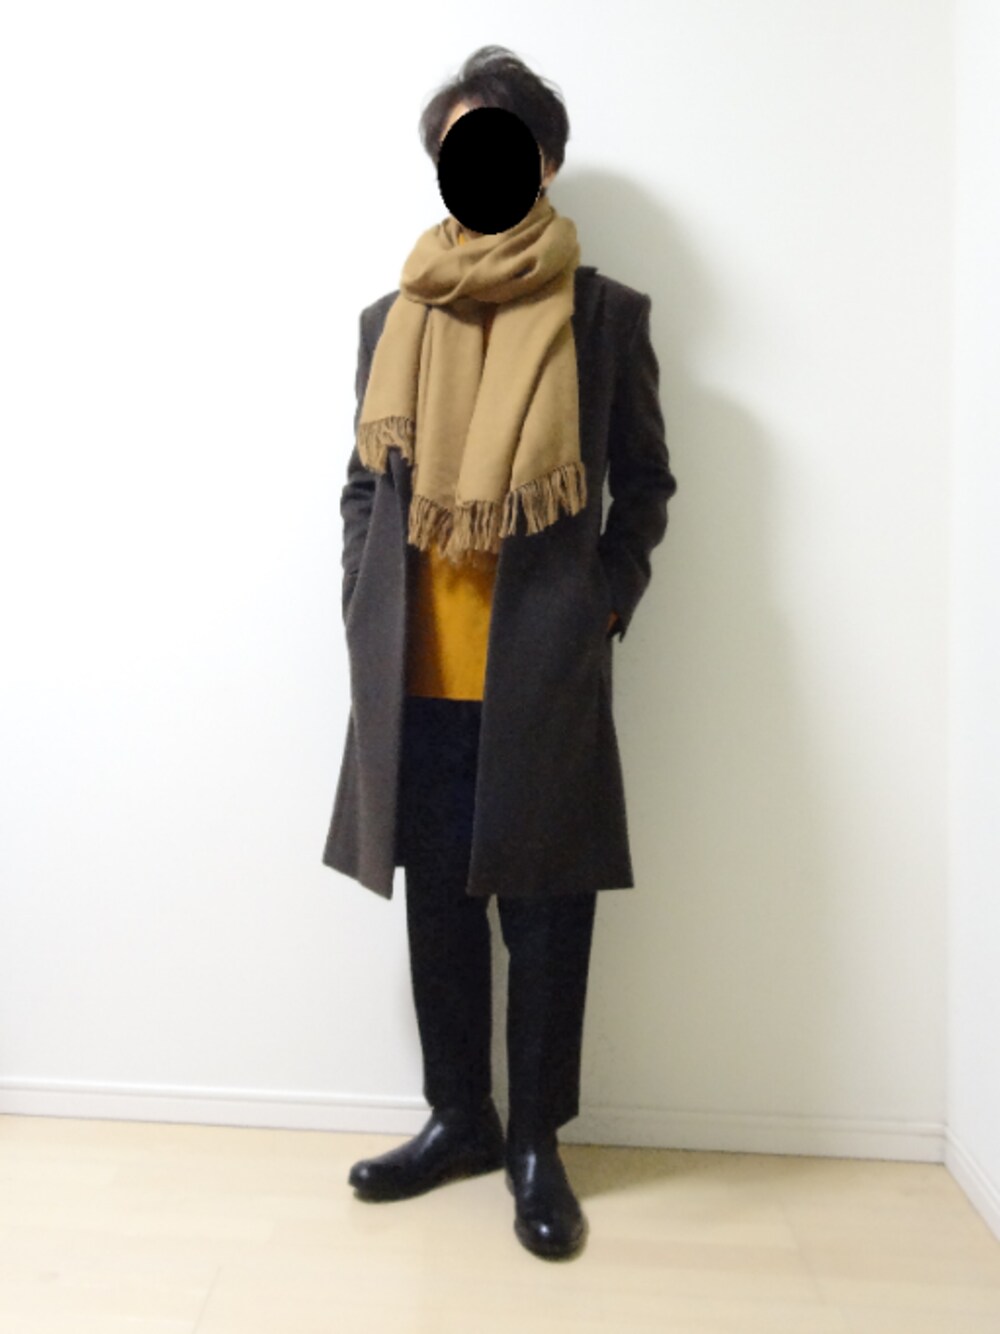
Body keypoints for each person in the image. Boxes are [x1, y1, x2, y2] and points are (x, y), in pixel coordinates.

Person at [327, 45, 678, 1261]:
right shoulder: (391, 319)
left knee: (545, 912)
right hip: (416, 669)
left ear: (544, 159)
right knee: (437, 909)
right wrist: (360, 595)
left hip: (539, 670)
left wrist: (601, 606)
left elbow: (645, 486)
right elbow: (362, 487)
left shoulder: (602, 317)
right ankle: (457, 1118)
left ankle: (535, 1141)